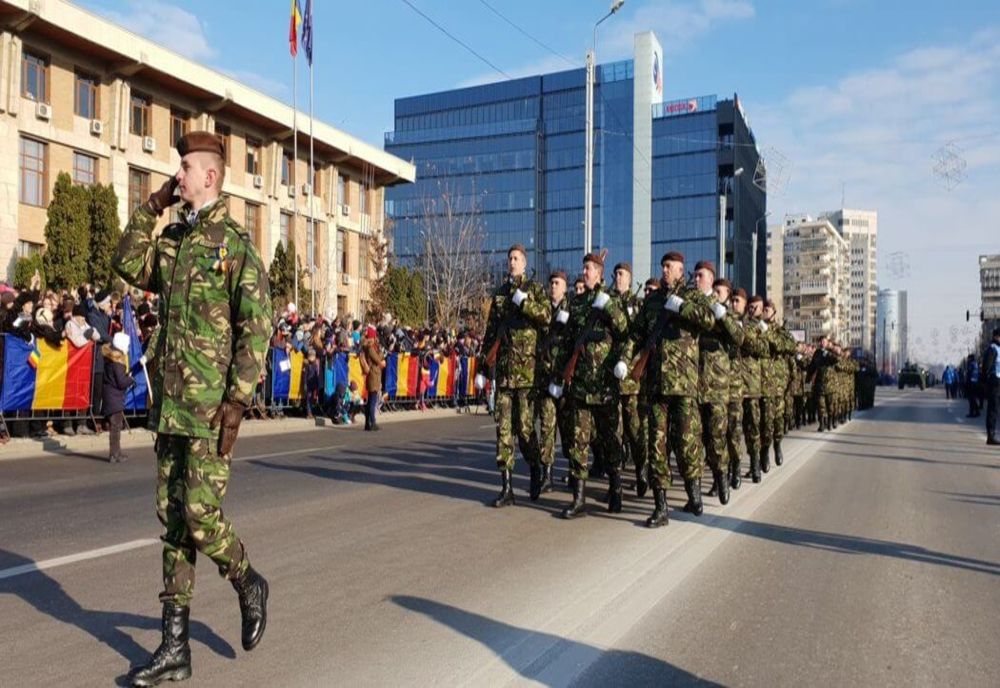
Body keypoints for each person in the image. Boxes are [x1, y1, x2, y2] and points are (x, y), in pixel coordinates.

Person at [114, 131, 272, 686]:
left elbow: (258, 328)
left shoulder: (234, 245)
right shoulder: (175, 241)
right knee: (173, 523)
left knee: (202, 519)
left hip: (208, 412)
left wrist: (237, 403)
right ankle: (173, 648)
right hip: (171, 411)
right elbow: (127, 263)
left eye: (183, 168)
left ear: (209, 175)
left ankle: (248, 581)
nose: (176, 175)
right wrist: (152, 207)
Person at [634, 251, 714, 527]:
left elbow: (709, 320)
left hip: (684, 384)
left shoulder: (692, 297)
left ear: (682, 271)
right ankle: (661, 507)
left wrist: (682, 307)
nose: (665, 270)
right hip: (657, 386)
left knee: (687, 443)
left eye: (670, 267)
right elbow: (638, 333)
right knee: (657, 446)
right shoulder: (653, 301)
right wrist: (624, 360)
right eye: (663, 266)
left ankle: (694, 495)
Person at [551, 250, 629, 517]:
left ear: (599, 272)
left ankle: (616, 488)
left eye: (589, 268)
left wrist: (608, 306)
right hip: (582, 385)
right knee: (578, 441)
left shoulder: (612, 301)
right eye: (583, 268)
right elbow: (567, 343)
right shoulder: (577, 303)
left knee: (610, 440)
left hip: (605, 384)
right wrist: (559, 377)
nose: (584, 272)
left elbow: (623, 331)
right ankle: (579, 498)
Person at [477, 244, 550, 506]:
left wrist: (526, 303)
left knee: (526, 429)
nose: (511, 262)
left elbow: (547, 317)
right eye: (509, 258)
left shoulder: (535, 290)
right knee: (504, 431)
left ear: (524, 263)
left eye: (516, 258)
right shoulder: (499, 295)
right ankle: (506, 487)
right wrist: (482, 368)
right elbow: (491, 332)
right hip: (506, 373)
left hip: (528, 374)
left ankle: (534, 467)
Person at [697, 270, 743, 505]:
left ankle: (721, 478)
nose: (714, 295)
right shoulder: (701, 311)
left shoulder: (728, 316)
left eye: (719, 292)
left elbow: (739, 338)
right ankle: (713, 477)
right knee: (703, 438)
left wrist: (723, 317)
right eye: (713, 291)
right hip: (696, 385)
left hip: (718, 387)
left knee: (718, 437)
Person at [610, 262, 648, 498]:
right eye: (615, 274)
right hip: (611, 379)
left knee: (634, 431)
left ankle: (641, 470)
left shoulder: (638, 304)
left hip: (632, 380)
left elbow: (639, 335)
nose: (617, 277)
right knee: (614, 433)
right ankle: (616, 485)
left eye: (621, 274)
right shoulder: (608, 302)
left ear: (630, 277)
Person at [535, 270, 572, 496]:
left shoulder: (573, 309)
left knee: (568, 431)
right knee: (547, 427)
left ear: (565, 286)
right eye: (551, 283)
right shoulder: (543, 310)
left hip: (565, 381)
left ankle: (570, 469)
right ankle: (546, 474)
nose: (553, 287)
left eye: (557, 283)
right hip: (547, 380)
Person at [102, 332, 134, 463]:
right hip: (115, 398)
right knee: (116, 427)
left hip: (110, 397)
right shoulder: (118, 363)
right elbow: (121, 382)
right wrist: (130, 379)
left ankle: (115, 453)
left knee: (115, 427)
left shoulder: (110, 360)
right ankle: (115, 454)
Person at [360, 326, 385, 431]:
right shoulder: (370, 348)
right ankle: (373, 422)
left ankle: (367, 423)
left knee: (370, 399)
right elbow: (377, 359)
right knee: (372, 400)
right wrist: (381, 355)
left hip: (372, 374)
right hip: (373, 374)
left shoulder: (368, 347)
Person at [983, 328, 1000, 445]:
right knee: (993, 409)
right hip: (994, 381)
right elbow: (986, 367)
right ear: (996, 337)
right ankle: (991, 435)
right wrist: (985, 381)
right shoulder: (992, 349)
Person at [964, 353, 981, 418]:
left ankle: (972, 413)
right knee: (973, 399)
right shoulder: (976, 364)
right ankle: (977, 412)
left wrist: (966, 383)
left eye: (968, 358)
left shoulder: (971, 364)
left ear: (970, 358)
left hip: (971, 383)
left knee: (971, 399)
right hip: (976, 382)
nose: (968, 359)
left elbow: (968, 374)